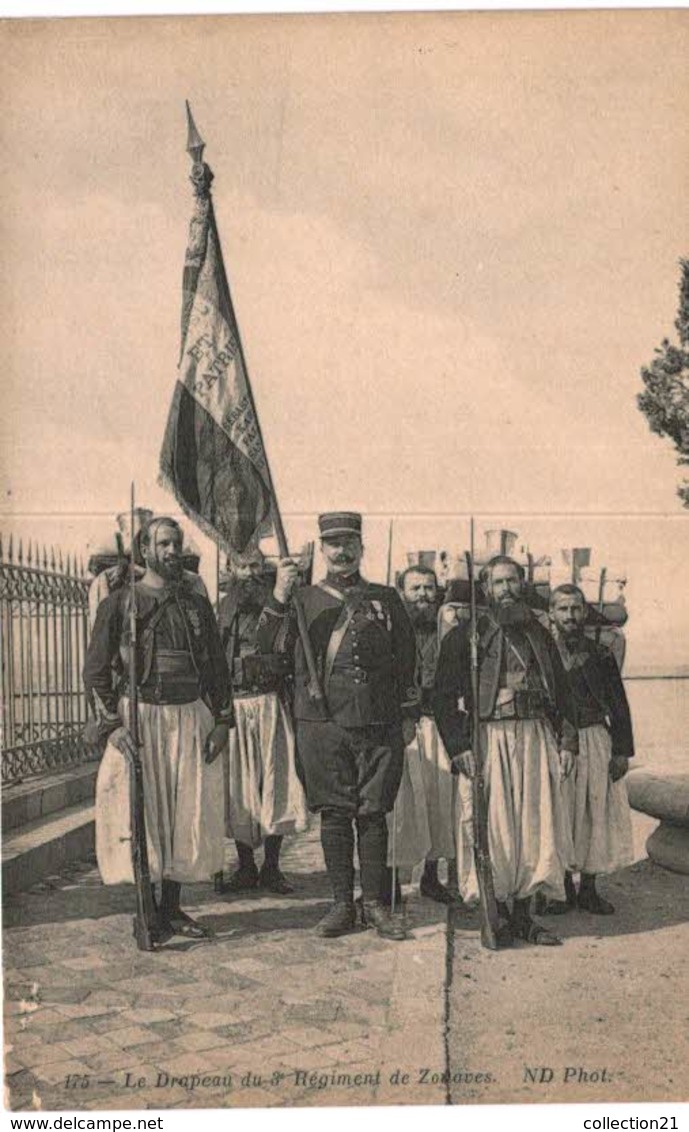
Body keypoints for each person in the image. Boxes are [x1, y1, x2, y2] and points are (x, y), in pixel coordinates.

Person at [257, 512, 419, 940]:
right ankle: (342, 905)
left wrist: (407, 714)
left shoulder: (385, 598)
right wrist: (279, 594)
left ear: (362, 547)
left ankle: (375, 905)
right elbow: (265, 649)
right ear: (322, 549)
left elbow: (408, 661)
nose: (342, 551)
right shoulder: (303, 599)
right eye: (333, 544)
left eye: (349, 542)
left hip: (379, 721)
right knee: (334, 813)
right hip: (322, 722)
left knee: (373, 813)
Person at [84, 516, 234, 940]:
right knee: (143, 815)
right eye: (163, 544)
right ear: (145, 550)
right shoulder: (120, 603)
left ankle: (172, 907)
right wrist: (113, 726)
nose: (172, 551)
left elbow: (218, 670)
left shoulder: (195, 605)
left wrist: (222, 721)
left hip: (188, 716)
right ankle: (146, 913)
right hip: (140, 720)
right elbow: (95, 671)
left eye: (176, 544)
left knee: (185, 812)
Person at [433, 555, 578, 947]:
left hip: (534, 736)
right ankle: (493, 916)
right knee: (493, 827)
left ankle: (524, 918)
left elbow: (564, 693)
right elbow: (442, 698)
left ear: (523, 583)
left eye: (513, 581)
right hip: (488, 739)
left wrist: (567, 740)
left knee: (534, 826)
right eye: (498, 583)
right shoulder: (464, 636)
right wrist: (459, 746)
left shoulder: (539, 634)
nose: (507, 589)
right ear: (485, 589)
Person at [216, 547, 308, 895]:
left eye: (256, 565)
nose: (250, 572)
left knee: (274, 782)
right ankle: (245, 866)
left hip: (270, 701)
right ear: (230, 569)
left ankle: (272, 866)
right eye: (242, 566)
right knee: (241, 787)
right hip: (236, 704)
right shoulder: (221, 609)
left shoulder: (282, 605)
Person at [546, 584, 634, 914]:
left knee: (595, 811)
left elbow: (619, 705)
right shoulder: (544, 654)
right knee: (562, 811)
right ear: (551, 614)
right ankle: (565, 888)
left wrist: (622, 750)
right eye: (563, 609)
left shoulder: (600, 655)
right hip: (557, 742)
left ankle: (590, 888)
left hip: (596, 739)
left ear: (584, 613)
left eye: (575, 609)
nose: (570, 615)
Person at [389, 564, 474, 905]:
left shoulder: (448, 634)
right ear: (402, 592)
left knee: (439, 802)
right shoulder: (391, 631)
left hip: (437, 723)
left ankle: (430, 876)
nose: (423, 595)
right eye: (415, 589)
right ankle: (393, 880)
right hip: (402, 727)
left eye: (428, 588)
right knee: (401, 805)